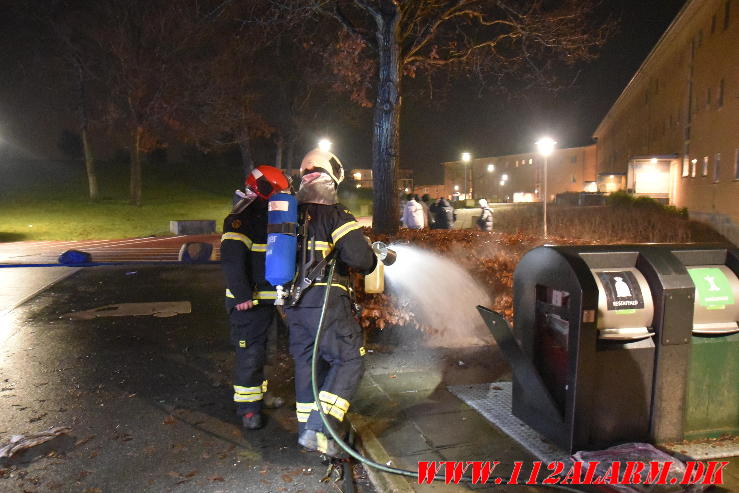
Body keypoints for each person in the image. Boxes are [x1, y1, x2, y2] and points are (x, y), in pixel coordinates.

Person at [286, 148, 376, 456]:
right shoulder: (336, 214)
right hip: (326, 302)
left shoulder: (289, 214)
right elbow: (361, 259)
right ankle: (319, 430)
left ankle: (309, 433)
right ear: (331, 176)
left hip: (293, 305)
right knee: (349, 359)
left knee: (308, 365)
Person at [221, 165, 290, 430]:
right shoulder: (241, 218)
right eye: (276, 191)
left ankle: (259, 397)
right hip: (247, 303)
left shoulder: (266, 216)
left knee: (265, 353)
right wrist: (241, 294)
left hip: (267, 300)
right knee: (249, 354)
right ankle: (248, 409)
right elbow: (231, 259)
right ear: (262, 188)